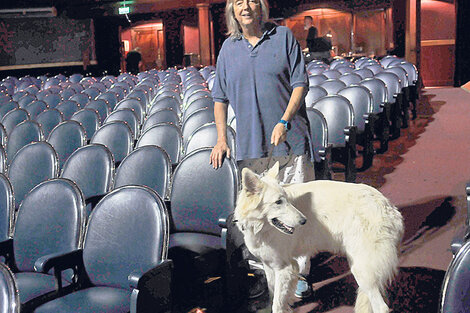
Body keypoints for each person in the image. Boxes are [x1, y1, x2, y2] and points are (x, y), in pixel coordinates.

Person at [209, 0, 315, 307]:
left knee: (294, 210)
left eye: (252, 1)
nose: (246, 6)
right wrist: (220, 138)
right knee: (260, 215)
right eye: (239, 2)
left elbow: (300, 84)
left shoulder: (282, 37)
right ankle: (267, 271)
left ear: (261, 8)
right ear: (232, 11)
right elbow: (219, 99)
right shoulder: (228, 49)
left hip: (289, 141)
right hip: (251, 144)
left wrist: (284, 120)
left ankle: (299, 273)